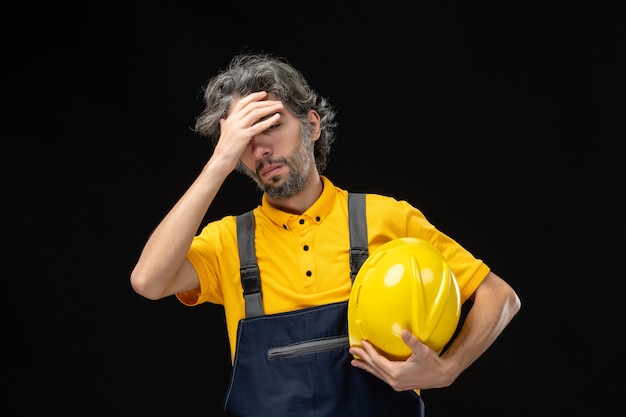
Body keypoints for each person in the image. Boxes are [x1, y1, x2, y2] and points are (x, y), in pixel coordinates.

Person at [130, 52, 521, 416]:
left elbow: (499, 296)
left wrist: (447, 370)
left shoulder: (387, 218)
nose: (260, 148)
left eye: (271, 124)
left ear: (312, 126)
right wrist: (218, 162)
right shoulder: (229, 242)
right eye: (245, 139)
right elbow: (149, 280)